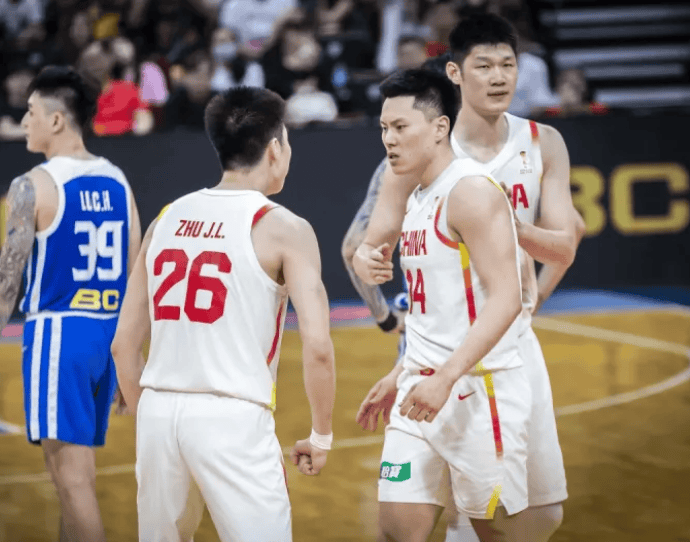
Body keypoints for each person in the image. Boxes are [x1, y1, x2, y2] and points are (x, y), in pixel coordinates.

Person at [356, 13, 586, 542]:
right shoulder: (419, 149)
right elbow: (377, 239)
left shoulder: (539, 142)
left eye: (508, 64)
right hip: (435, 353)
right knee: (407, 524)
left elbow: (564, 246)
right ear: (456, 73)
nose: (499, 77)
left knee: (536, 514)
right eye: (485, 65)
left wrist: (504, 235)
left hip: (503, 349)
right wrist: (370, 259)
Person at [110, 86, 336, 542]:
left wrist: (152, 416)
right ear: (275, 149)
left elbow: (122, 346)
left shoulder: (166, 217)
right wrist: (322, 435)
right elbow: (317, 346)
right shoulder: (284, 227)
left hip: (157, 412)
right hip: (232, 416)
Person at [0, 65, 141, 542]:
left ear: (57, 120)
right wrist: (130, 357)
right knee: (79, 478)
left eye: (30, 112)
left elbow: (6, 276)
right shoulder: (118, 179)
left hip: (60, 335)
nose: (24, 121)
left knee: (71, 481)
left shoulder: (33, 184)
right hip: (106, 335)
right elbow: (135, 275)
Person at [353, 68, 530, 542]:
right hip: (419, 387)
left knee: (493, 532)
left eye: (400, 127)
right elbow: (433, 311)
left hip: (479, 390)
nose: (389, 139)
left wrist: (446, 377)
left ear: (439, 128)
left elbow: (508, 298)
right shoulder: (415, 195)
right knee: (396, 531)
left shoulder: (470, 191)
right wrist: (401, 373)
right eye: (384, 128)